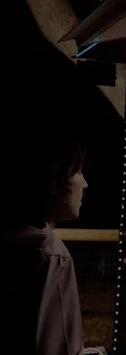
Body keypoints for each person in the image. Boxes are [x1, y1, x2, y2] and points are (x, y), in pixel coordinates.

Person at [0, 131, 88, 355]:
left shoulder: (12, 239)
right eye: (78, 172)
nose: (85, 184)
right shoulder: (51, 254)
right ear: (54, 186)